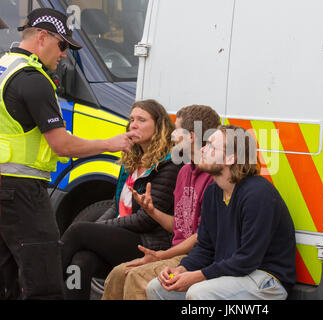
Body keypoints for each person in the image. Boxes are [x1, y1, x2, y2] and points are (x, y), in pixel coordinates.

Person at [0, 8, 139, 300]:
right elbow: (62, 145)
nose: (64, 55)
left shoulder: (5, 67)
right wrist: (110, 143)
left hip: (6, 187)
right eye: (63, 45)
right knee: (44, 281)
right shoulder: (33, 79)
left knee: (8, 278)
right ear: (42, 37)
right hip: (22, 191)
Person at [146, 125, 297, 300]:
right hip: (232, 274)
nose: (202, 149)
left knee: (199, 293)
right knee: (157, 288)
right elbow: (205, 247)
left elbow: (248, 259)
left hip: (266, 279)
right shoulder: (213, 191)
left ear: (231, 158)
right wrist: (182, 269)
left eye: (211, 146)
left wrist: (197, 276)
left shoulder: (258, 193)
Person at [60, 99, 181, 300]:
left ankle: (44, 287)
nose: (133, 124)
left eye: (142, 120)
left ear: (158, 126)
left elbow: (147, 219)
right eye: (132, 119)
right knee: (81, 262)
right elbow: (117, 205)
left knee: (78, 230)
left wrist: (104, 228)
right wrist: (101, 227)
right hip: (122, 235)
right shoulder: (132, 161)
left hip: (148, 241)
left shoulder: (168, 165)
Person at [102, 104, 221, 300]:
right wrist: (152, 211)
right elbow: (179, 227)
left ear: (191, 136)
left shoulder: (212, 178)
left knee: (135, 277)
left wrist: (161, 256)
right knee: (117, 273)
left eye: (177, 130)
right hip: (176, 253)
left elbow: (202, 236)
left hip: (194, 256)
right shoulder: (184, 172)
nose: (172, 136)